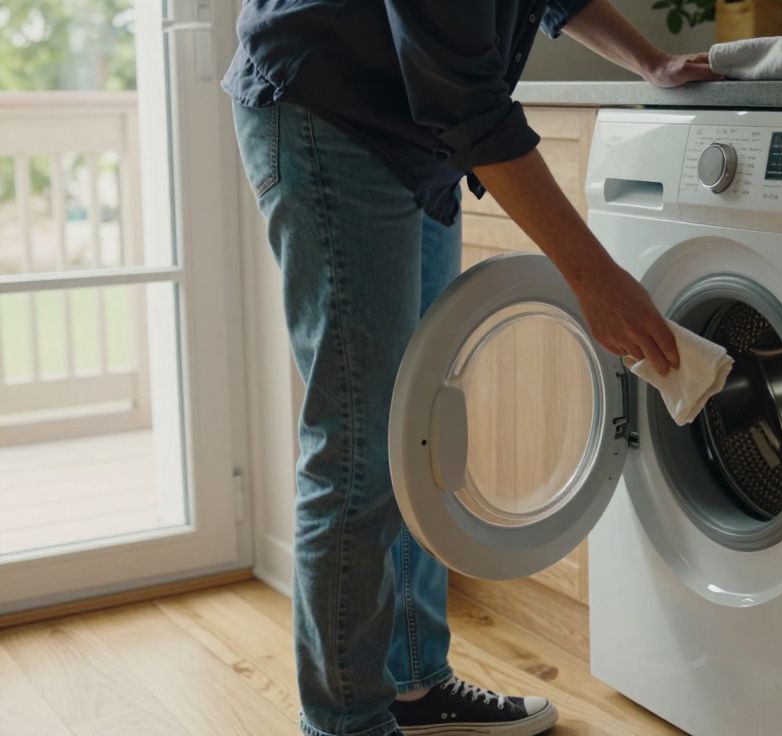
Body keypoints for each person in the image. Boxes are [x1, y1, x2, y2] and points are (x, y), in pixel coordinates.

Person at [223, 1, 717, 734]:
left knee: (413, 433)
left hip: (413, 131)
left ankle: (415, 688)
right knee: (361, 447)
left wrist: (650, 59)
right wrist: (595, 279)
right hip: (329, 109)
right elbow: (465, 96)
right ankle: (347, 723)